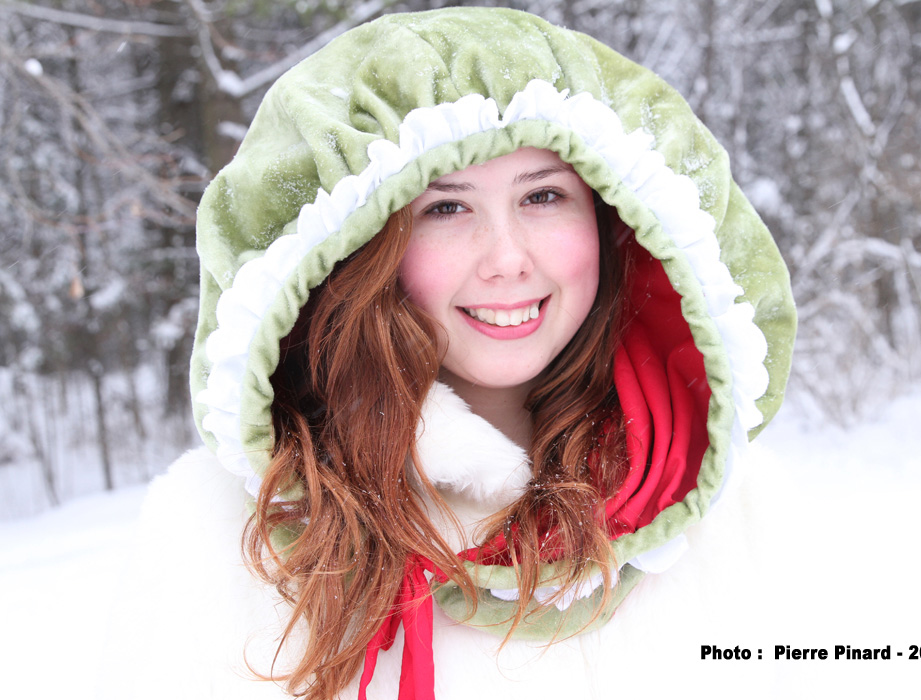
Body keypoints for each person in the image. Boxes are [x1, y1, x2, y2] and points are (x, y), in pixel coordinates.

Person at [103, 7, 795, 700]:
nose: (505, 259)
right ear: (359, 245)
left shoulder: (739, 515)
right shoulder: (221, 538)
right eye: (445, 208)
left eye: (544, 195)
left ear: (615, 222)